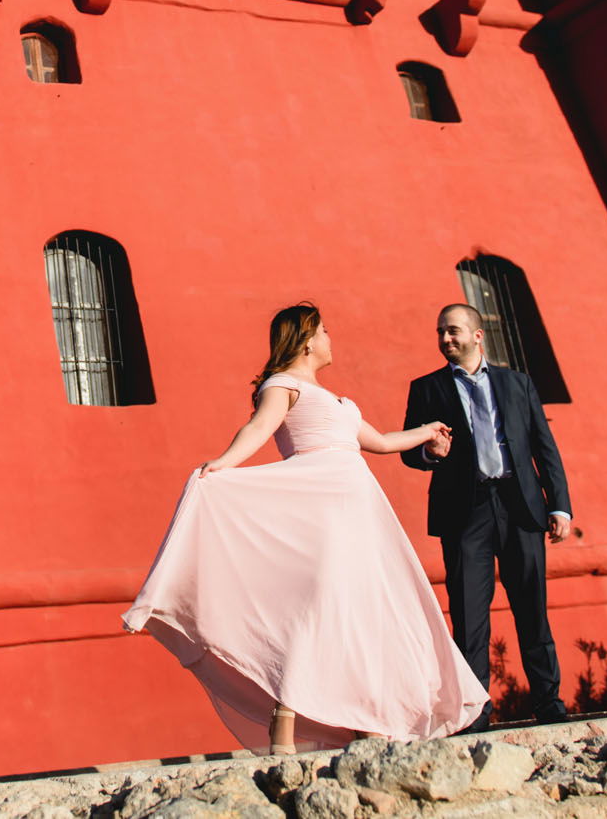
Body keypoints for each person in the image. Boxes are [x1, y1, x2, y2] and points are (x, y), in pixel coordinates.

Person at [123, 303, 488, 754]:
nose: (331, 338)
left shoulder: (343, 404)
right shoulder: (283, 385)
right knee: (319, 604)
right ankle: (286, 716)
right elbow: (258, 427)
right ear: (308, 340)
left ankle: (370, 717)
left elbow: (382, 442)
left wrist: (428, 432)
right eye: (325, 331)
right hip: (319, 507)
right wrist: (222, 464)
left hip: (361, 513)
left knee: (361, 609)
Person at [401, 302, 574, 728]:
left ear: (478, 335)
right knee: (469, 618)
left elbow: (543, 445)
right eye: (441, 332)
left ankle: (549, 704)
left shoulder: (518, 385)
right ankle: (475, 712)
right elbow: (410, 452)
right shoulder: (427, 388)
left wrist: (559, 504)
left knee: (532, 611)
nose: (445, 339)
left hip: (521, 507)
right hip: (465, 513)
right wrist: (428, 452)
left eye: (454, 331)